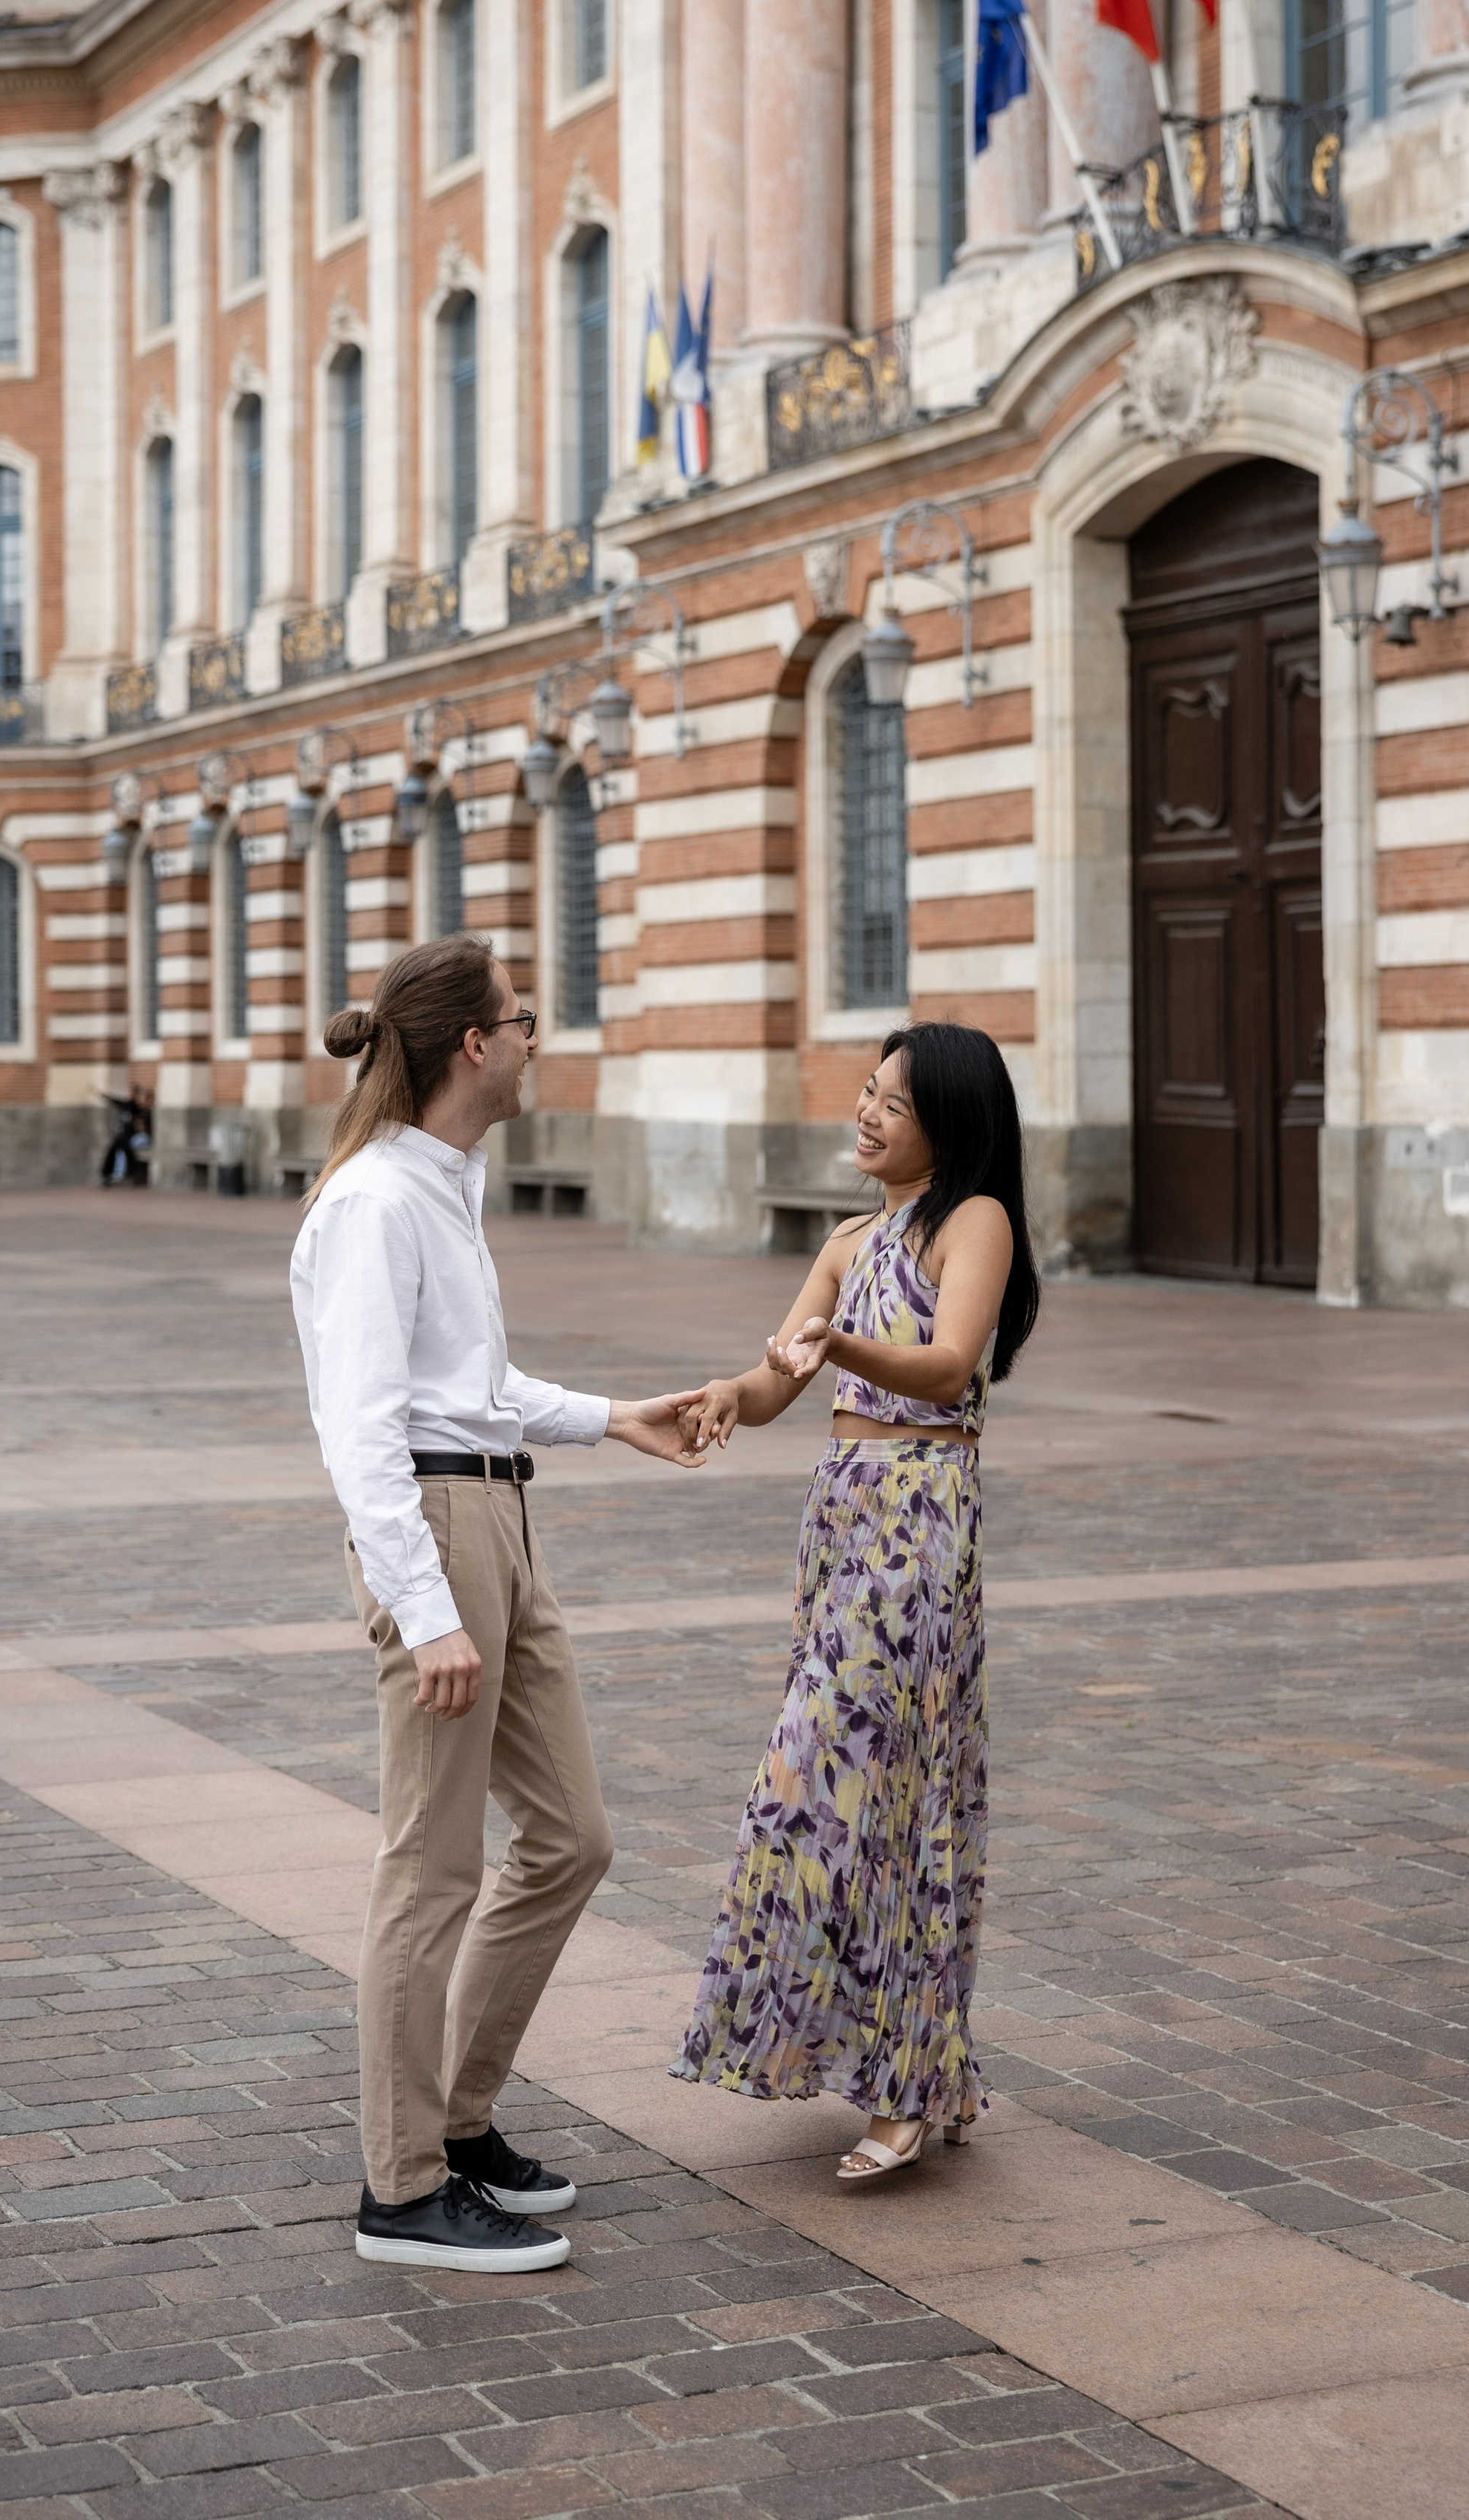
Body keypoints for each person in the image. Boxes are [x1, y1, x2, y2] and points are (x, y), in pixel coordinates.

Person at [290, 934, 707, 2273]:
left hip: (498, 1517)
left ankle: (459, 2121)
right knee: (430, 1867)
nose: (537, 1039)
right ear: (475, 1044)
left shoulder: (444, 1188)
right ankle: (402, 2187)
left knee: (571, 1836)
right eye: (525, 1020)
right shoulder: (373, 1206)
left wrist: (614, 1417)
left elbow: (474, 1387)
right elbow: (363, 1433)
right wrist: (426, 1610)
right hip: (434, 1531)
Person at [670, 1021, 1040, 2183]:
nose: (867, 1114)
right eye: (866, 1095)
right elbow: (784, 1376)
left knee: (883, 1792)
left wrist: (848, 1347)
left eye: (892, 1101)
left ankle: (911, 2088)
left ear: (949, 1121)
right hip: (842, 1521)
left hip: (921, 1522)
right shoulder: (848, 1237)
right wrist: (733, 1392)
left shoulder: (972, 1220)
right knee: (826, 1795)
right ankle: (907, 2063)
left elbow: (945, 1363)